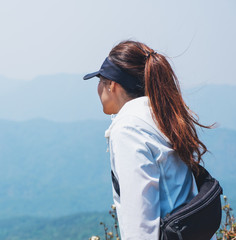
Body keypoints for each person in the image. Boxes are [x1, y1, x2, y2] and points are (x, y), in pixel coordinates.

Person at [83, 40, 214, 239]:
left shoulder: (128, 129)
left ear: (113, 85)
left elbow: (140, 222)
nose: (98, 89)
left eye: (100, 80)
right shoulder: (160, 115)